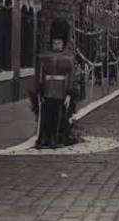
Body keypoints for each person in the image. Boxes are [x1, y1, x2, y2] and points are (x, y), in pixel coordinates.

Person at [36, 19, 76, 148]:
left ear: (62, 43)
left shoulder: (67, 57)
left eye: (58, 43)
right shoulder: (46, 56)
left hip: (60, 90)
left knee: (57, 116)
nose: (56, 45)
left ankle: (54, 137)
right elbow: (42, 73)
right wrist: (40, 88)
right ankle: (44, 138)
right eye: (54, 43)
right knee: (46, 116)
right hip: (48, 89)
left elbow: (69, 76)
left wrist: (69, 93)